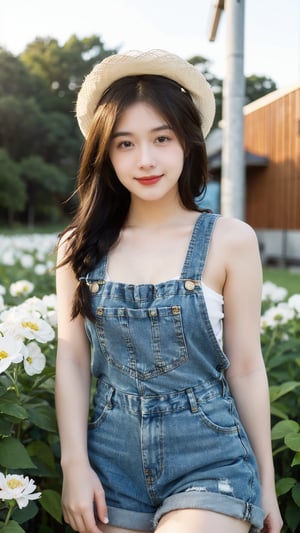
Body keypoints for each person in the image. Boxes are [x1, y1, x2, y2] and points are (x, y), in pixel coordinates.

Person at [55, 49, 283, 533]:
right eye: (124, 144)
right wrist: (74, 465)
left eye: (162, 138)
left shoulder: (229, 239)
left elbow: (245, 365)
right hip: (109, 460)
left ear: (188, 143)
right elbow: (72, 358)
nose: (146, 160)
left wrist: (266, 482)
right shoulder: (78, 248)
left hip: (210, 457)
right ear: (104, 153)